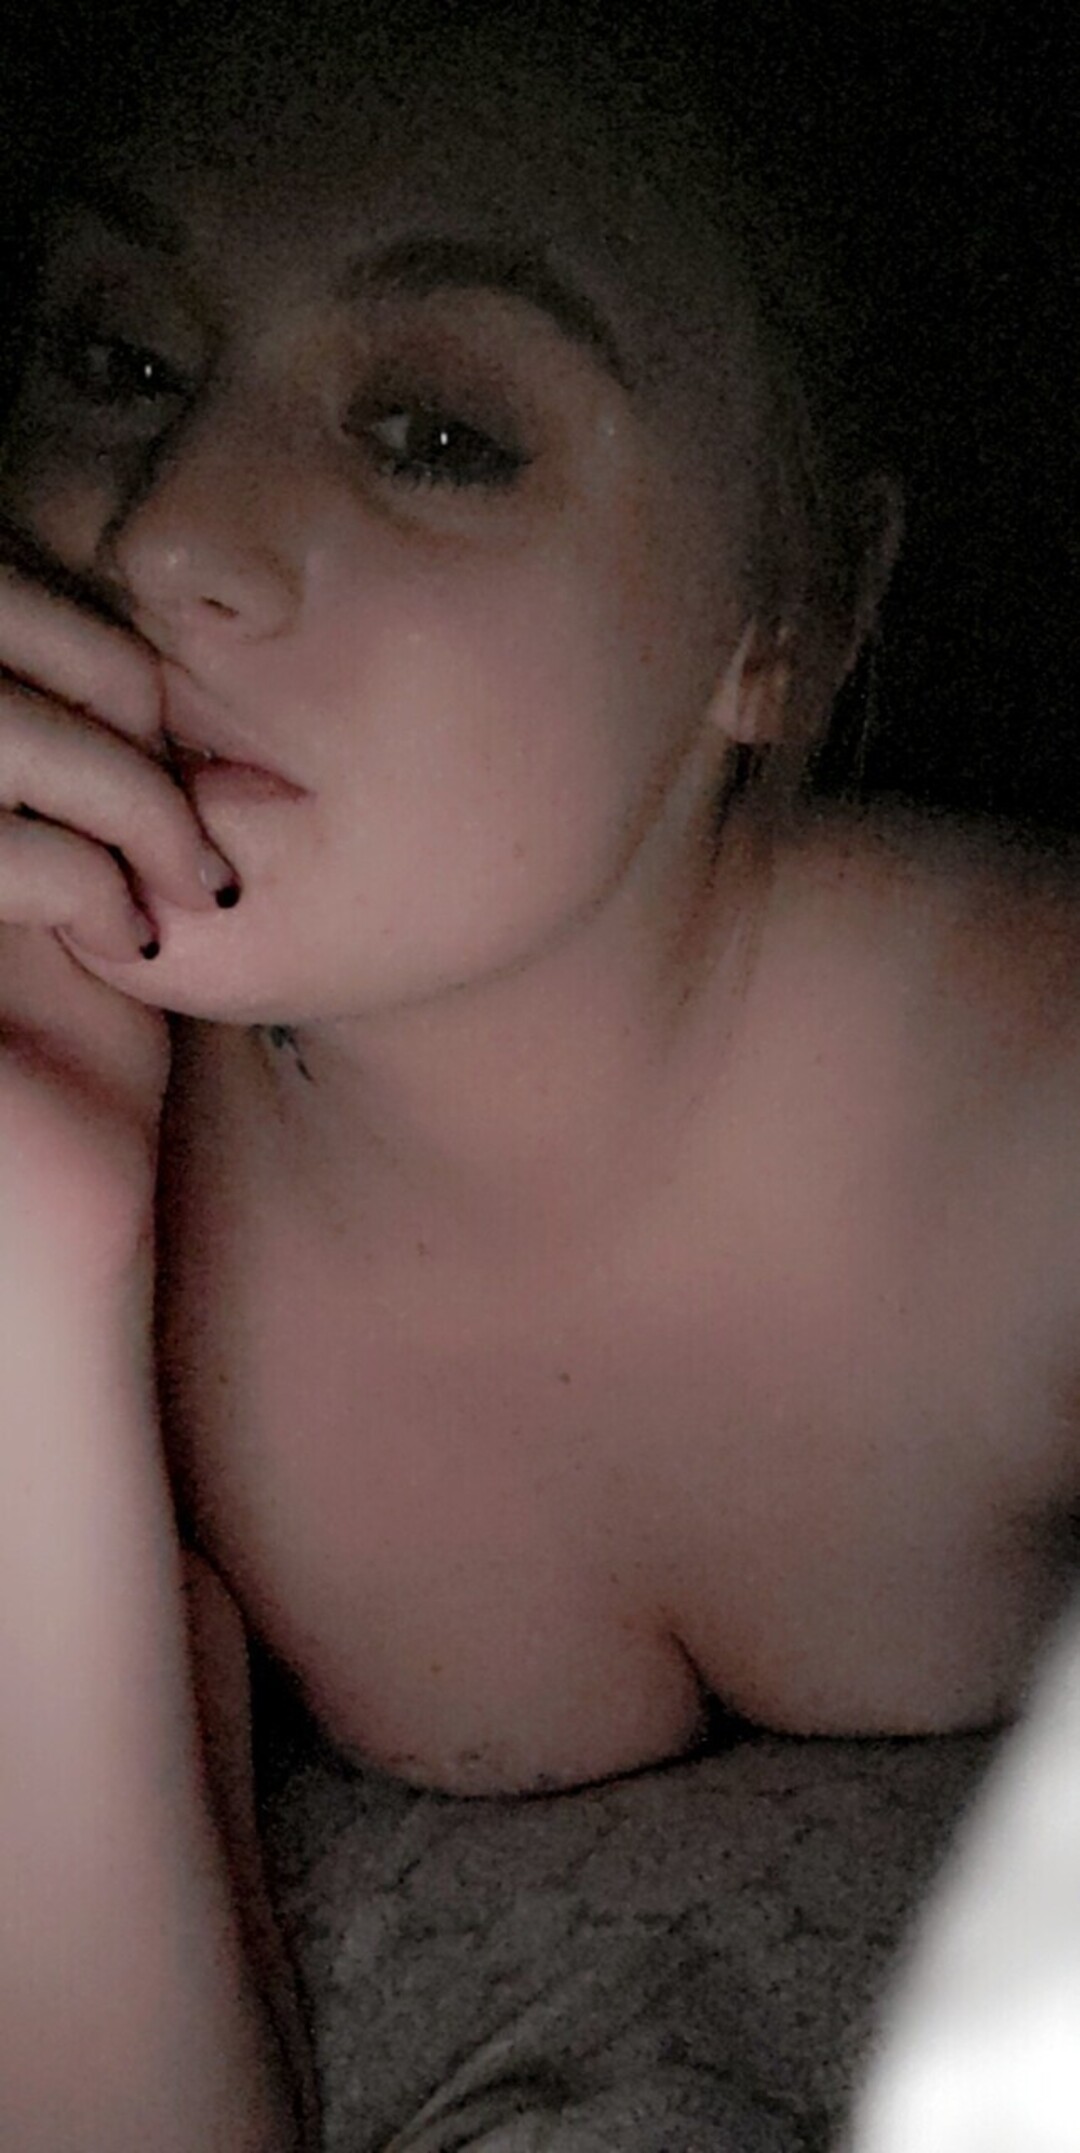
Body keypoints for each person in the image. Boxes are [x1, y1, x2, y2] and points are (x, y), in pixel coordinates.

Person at [0, 3, 1076, 2144]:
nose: (170, 531)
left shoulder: (1026, 1114)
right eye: (119, 360)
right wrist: (27, 1237)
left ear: (786, 611)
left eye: (433, 434)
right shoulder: (95, 1162)